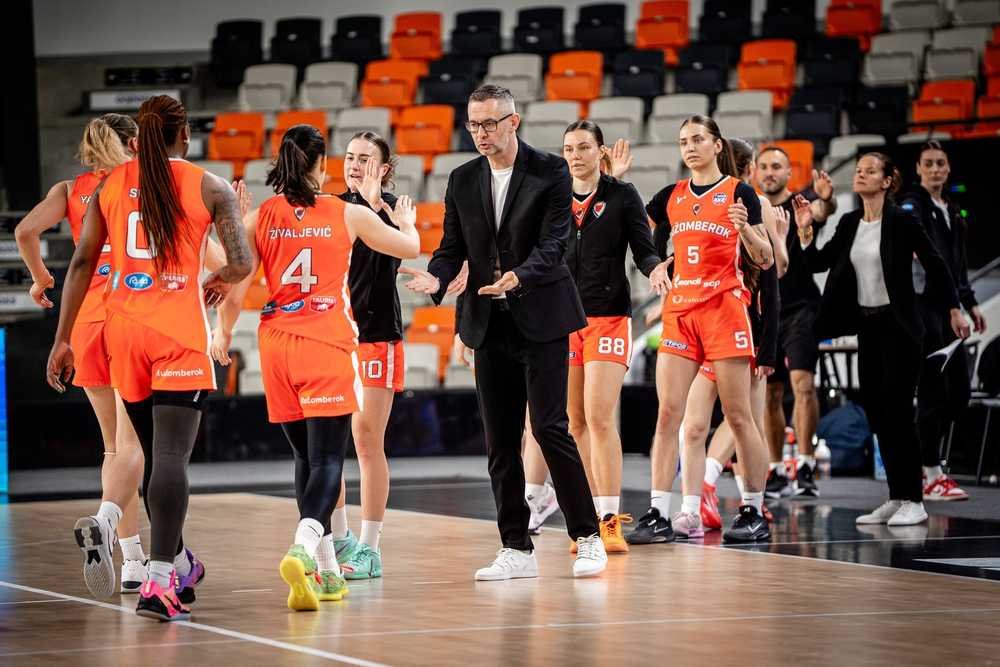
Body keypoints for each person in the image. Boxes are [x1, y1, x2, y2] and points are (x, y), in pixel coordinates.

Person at [46, 95, 253, 621]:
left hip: (123, 334)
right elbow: (242, 262)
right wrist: (219, 278)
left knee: (150, 457)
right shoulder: (210, 185)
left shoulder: (109, 185)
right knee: (170, 458)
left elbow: (81, 264)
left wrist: (63, 339)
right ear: (185, 136)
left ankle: (178, 561)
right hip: (176, 333)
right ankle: (158, 581)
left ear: (137, 140)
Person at [400, 84, 608, 580]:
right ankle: (516, 547)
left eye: (490, 123)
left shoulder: (550, 170)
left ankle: (588, 537)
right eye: (473, 124)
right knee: (499, 442)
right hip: (487, 321)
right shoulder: (462, 178)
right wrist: (437, 278)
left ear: (513, 122)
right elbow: (452, 247)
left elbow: (555, 243)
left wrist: (519, 277)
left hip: (543, 316)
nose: (481, 133)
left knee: (550, 429)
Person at [212, 124, 419, 611]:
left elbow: (235, 282)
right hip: (324, 342)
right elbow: (409, 248)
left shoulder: (262, 215)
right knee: (328, 460)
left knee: (304, 459)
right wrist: (408, 223)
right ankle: (304, 546)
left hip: (275, 345)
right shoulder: (345, 212)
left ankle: (326, 571)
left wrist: (222, 332)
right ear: (322, 166)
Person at [794, 152, 970, 527]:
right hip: (867, 326)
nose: (860, 175)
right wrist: (807, 229)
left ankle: (915, 500)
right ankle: (896, 496)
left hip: (899, 327)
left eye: (870, 171)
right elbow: (817, 262)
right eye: (858, 170)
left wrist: (954, 308)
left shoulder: (902, 220)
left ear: (887, 181)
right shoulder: (850, 222)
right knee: (877, 414)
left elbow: (936, 262)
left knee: (899, 414)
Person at [626, 115, 774, 545]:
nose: (689, 147)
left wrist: (744, 229)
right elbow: (637, 232)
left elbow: (765, 259)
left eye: (697, 139)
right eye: (683, 141)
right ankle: (658, 512)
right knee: (667, 415)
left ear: (716, 145)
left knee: (739, 416)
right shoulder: (671, 196)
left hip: (724, 309)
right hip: (682, 312)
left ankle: (753, 508)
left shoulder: (739, 193)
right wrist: (655, 266)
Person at [16, 114, 147, 597]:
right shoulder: (138, 183)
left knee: (112, 448)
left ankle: (131, 557)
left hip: (86, 321)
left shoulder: (70, 190)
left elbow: (25, 231)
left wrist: (41, 279)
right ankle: (116, 536)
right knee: (135, 446)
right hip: (131, 311)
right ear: (132, 143)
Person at [673, 138, 785, 536]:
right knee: (705, 422)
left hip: (744, 323)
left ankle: (750, 504)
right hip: (711, 323)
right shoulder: (703, 204)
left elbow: (772, 273)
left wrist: (768, 346)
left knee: (743, 420)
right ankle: (703, 495)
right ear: (749, 167)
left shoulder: (753, 203)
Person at [321, 131, 403, 580]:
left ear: (384, 169)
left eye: (365, 159)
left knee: (367, 441)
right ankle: (340, 537)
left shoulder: (393, 211)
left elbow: (392, 257)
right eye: (350, 157)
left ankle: (371, 548)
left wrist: (373, 206)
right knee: (330, 442)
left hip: (376, 337)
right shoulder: (330, 208)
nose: (354, 165)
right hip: (336, 336)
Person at [900, 141, 986, 502]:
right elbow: (929, 259)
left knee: (960, 394)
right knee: (932, 391)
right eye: (929, 163)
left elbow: (956, 263)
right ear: (918, 169)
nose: (935, 169)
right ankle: (931, 474)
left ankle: (927, 461)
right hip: (925, 309)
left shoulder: (951, 209)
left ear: (948, 169)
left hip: (949, 308)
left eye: (940, 163)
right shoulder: (912, 205)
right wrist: (953, 306)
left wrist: (970, 303)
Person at [756, 147, 837, 498]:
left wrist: (826, 200)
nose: (769, 172)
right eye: (763, 167)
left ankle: (805, 465)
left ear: (789, 172)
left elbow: (822, 210)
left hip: (801, 307)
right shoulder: (752, 206)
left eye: (776, 166)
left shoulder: (802, 202)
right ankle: (775, 469)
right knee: (770, 392)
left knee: (803, 385)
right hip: (765, 310)